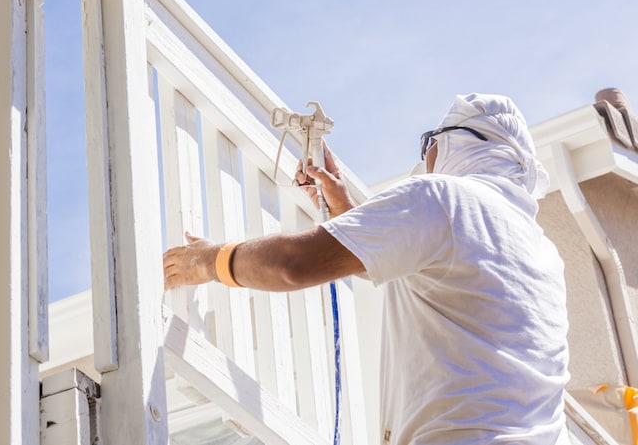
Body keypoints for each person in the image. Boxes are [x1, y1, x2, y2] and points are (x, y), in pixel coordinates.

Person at [163, 93, 570, 445]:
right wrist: (345, 211)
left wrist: (209, 260)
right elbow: (431, 270)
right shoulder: (542, 249)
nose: (426, 157)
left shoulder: (443, 197)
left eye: (429, 141)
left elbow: (292, 265)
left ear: (455, 145)